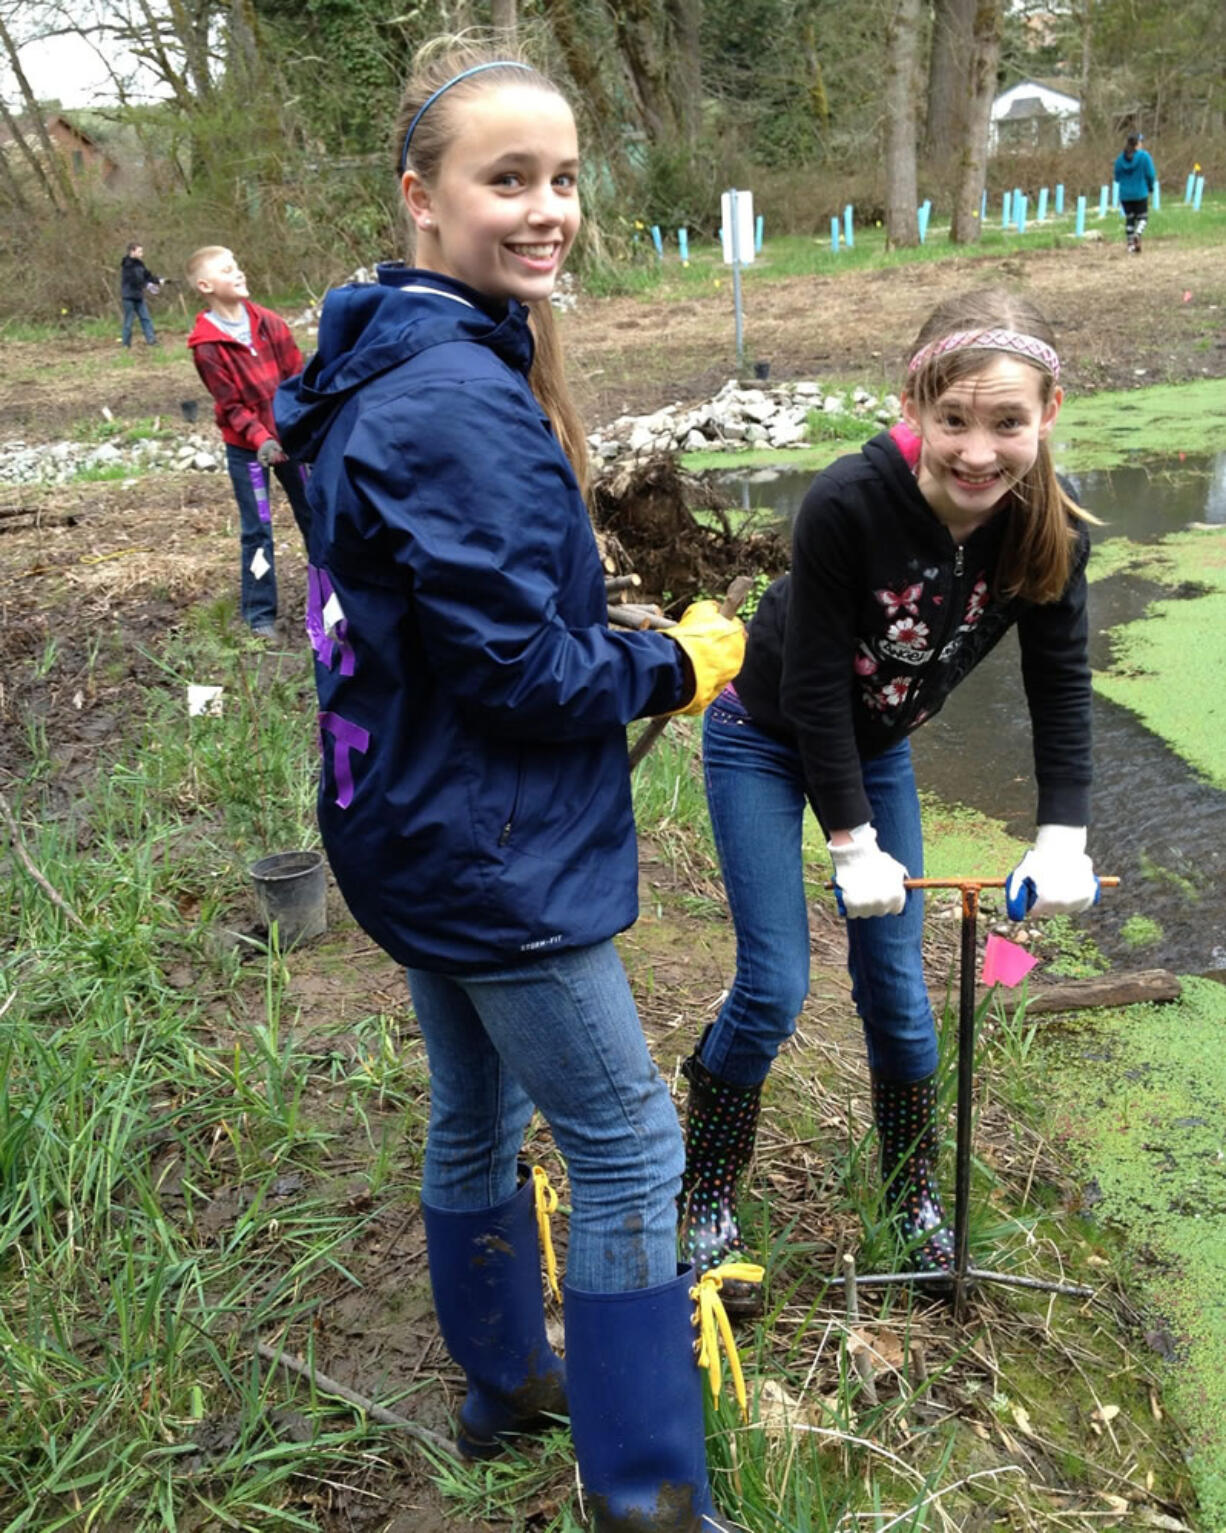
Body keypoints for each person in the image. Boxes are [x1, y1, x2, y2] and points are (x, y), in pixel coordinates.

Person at [274, 39, 749, 1532]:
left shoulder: (374, 356)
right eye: (505, 181)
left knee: (473, 1111)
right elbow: (523, 682)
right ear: (421, 195)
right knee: (626, 1144)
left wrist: (594, 630)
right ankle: (648, 1492)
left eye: (560, 181)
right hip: (484, 844)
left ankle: (504, 1387)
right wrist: (678, 665)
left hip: (397, 821)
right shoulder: (456, 403)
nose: (544, 210)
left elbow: (435, 618)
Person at [684, 289, 1100, 1319]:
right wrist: (851, 844)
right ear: (911, 400)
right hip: (762, 736)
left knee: (900, 997)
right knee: (776, 983)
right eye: (951, 418)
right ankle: (700, 1195)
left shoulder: (1050, 531)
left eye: (1005, 423)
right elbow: (817, 686)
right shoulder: (846, 503)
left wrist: (1061, 837)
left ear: (1045, 414)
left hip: (872, 752)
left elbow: (1058, 688)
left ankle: (911, 1193)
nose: (975, 452)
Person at [187, 247, 313, 639]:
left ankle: (338, 591)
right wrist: (262, 439)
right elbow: (231, 407)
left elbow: (297, 378)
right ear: (206, 286)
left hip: (290, 440)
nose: (239, 272)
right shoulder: (207, 346)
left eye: (238, 265)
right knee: (257, 529)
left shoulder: (270, 323)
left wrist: (300, 426)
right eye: (228, 269)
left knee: (315, 512)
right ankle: (260, 615)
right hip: (248, 450)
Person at [1114, 134, 1156, 254]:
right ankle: (1137, 234)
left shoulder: (1120, 159)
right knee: (1143, 218)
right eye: (1141, 142)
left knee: (1130, 219)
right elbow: (1150, 174)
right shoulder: (1144, 156)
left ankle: (1131, 247)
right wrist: (1151, 187)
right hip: (1140, 192)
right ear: (1137, 144)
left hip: (1125, 195)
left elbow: (1117, 178)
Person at [119, 241, 160, 348]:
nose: (142, 254)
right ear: (132, 251)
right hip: (128, 297)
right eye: (140, 251)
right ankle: (125, 344)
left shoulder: (140, 264)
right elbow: (135, 280)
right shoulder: (127, 265)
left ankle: (152, 341)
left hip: (138, 296)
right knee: (129, 321)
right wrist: (147, 285)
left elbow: (147, 276)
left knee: (146, 318)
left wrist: (159, 281)